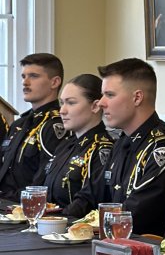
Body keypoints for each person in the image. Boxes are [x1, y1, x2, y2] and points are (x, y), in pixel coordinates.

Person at [62, 58, 165, 236]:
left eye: (110, 95)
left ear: (137, 97)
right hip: (111, 242)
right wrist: (63, 222)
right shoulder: (123, 140)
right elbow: (90, 194)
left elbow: (135, 213)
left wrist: (83, 226)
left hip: (142, 251)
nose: (101, 103)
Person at [0, 53, 66, 201]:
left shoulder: (55, 125)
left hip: (25, 207)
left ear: (54, 82)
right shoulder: (19, 124)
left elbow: (45, 180)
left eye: (34, 76)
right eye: (23, 77)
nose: (25, 82)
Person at [44, 74, 113, 206]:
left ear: (95, 106)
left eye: (71, 103)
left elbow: (87, 203)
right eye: (61, 103)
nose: (62, 111)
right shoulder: (65, 144)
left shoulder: (102, 148)